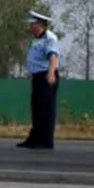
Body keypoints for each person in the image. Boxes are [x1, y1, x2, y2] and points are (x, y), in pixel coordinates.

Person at [18, 10, 61, 150]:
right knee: (37, 109)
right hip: (38, 76)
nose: (29, 27)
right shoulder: (36, 39)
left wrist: (51, 73)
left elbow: (53, 57)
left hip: (46, 76)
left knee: (46, 110)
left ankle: (45, 141)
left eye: (32, 24)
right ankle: (34, 138)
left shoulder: (50, 38)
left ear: (39, 24)